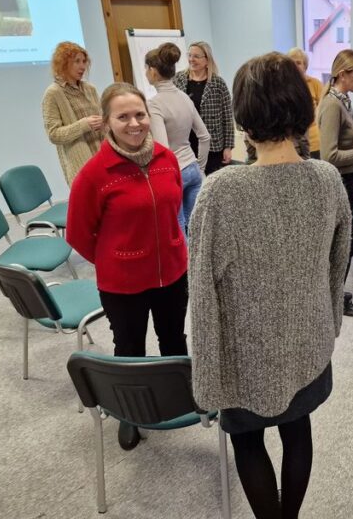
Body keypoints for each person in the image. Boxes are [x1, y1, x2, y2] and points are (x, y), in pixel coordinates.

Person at [189, 52, 350, 519]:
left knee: (248, 439)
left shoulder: (220, 192)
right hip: (308, 341)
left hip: (245, 351)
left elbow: (201, 294)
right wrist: (329, 324)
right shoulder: (327, 179)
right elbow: (338, 265)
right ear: (302, 107)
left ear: (243, 116)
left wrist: (207, 374)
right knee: (298, 430)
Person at [67, 83, 188, 451]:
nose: (134, 123)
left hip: (172, 271)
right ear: (106, 123)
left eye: (139, 115)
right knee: (130, 349)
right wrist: (117, 258)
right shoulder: (94, 174)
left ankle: (175, 401)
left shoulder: (167, 159)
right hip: (123, 282)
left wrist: (169, 245)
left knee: (173, 340)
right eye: (123, 116)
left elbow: (174, 210)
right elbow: (78, 234)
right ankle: (129, 415)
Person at [318, 48, 353, 317]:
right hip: (339, 183)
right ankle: (333, 299)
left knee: (344, 244)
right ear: (343, 74)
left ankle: (334, 293)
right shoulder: (332, 105)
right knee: (343, 244)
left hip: (349, 181)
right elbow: (328, 156)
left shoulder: (343, 100)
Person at [145, 42, 210, 233]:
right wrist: (200, 167)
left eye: (146, 69)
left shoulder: (155, 104)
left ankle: (185, 264)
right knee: (197, 229)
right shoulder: (184, 97)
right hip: (192, 168)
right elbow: (204, 136)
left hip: (174, 173)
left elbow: (162, 148)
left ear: (153, 71)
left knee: (178, 229)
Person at [42, 41, 103, 185]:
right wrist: (83, 125)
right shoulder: (53, 93)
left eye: (84, 61)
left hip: (103, 156)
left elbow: (101, 116)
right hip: (81, 164)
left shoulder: (90, 89)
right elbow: (54, 134)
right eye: (77, 61)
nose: (82, 66)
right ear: (63, 63)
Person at [172, 41, 234, 175]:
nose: (191, 59)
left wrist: (228, 147)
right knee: (191, 181)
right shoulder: (178, 79)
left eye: (196, 56)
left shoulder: (218, 83)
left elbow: (228, 117)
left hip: (213, 144)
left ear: (207, 60)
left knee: (211, 182)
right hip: (186, 143)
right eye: (189, 55)